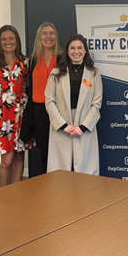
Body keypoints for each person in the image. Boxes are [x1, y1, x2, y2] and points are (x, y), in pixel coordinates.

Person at [45, 34, 102, 175]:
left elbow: (97, 104)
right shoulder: (55, 73)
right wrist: (63, 125)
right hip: (61, 126)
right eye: (72, 48)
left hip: (84, 126)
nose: (76, 51)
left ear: (85, 51)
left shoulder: (94, 74)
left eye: (79, 48)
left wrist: (83, 127)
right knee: (60, 172)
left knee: (86, 173)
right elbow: (49, 100)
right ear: (67, 51)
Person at [0, 25, 34, 187]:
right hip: (2, 117)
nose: (8, 42)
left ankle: (17, 192)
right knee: (6, 161)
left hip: (21, 116)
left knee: (19, 157)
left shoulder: (26, 62)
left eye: (11, 38)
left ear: (17, 40)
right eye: (4, 39)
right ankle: (4, 193)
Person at [20, 22, 63, 174]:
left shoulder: (63, 58)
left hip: (59, 110)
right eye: (44, 33)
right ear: (39, 37)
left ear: (55, 36)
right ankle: (49, 187)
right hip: (39, 111)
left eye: (51, 33)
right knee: (44, 153)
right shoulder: (32, 60)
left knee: (60, 151)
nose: (48, 36)